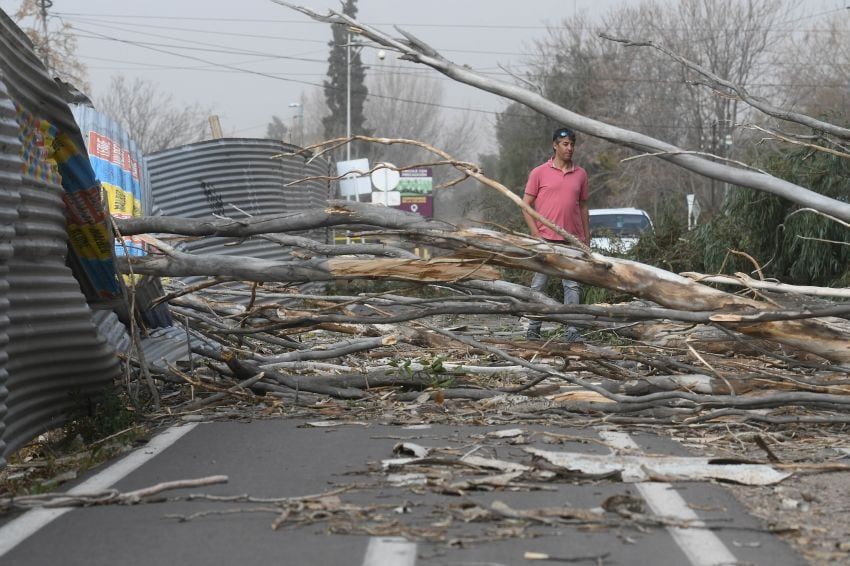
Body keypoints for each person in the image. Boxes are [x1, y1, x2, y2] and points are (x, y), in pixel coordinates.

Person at [521, 127, 590, 341]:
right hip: (545, 241)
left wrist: (586, 238)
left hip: (571, 242)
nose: (569, 148)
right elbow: (526, 205)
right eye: (565, 144)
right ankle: (534, 328)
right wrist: (535, 234)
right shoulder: (539, 172)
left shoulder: (580, 174)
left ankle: (573, 331)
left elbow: (583, 207)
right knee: (539, 286)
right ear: (555, 145)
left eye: (572, 144)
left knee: (572, 285)